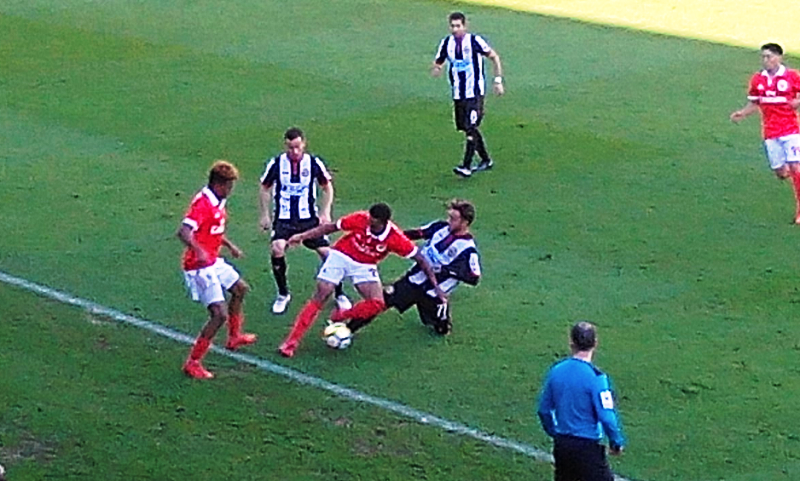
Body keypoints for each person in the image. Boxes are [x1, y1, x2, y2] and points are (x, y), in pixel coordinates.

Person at [277, 203, 447, 357]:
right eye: (369, 219)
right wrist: (302, 236)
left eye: (373, 222)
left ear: (383, 222)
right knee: (322, 293)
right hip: (342, 255)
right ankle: (291, 342)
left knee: (377, 303)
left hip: (365, 265)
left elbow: (421, 260)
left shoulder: (396, 238)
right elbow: (331, 227)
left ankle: (342, 315)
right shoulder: (360, 219)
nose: (369, 223)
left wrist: (436, 287)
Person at [346, 199, 481, 336]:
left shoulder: (467, 249)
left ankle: (442, 319)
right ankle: (347, 330)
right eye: (449, 217)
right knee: (381, 301)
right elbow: (418, 233)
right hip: (414, 280)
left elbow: (474, 277)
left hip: (434, 293)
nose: (449, 221)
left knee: (440, 329)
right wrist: (392, 238)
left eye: (453, 219)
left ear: (465, 222)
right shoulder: (440, 227)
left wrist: (445, 270)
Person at [177, 161, 257, 379]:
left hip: (213, 261)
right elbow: (184, 232)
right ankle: (193, 362)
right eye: (229, 186)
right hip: (198, 267)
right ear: (219, 184)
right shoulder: (203, 204)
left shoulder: (217, 201)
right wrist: (198, 251)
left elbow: (211, 229)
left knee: (240, 289)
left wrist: (229, 246)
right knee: (218, 315)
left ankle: (234, 337)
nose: (231, 190)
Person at [259, 127, 351, 314]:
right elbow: (264, 187)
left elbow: (327, 187)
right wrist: (264, 214)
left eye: (297, 147)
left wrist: (325, 212)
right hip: (284, 218)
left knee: (327, 254)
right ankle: (283, 294)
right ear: (285, 145)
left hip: (308, 219)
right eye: (290, 147)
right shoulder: (276, 164)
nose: (294, 151)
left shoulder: (313, 163)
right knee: (277, 248)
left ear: (304, 144)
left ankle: (340, 293)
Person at [537, 322, 626, 481]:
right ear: (595, 343)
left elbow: (544, 410)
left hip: (562, 446)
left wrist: (555, 433)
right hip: (587, 448)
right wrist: (616, 442)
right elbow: (606, 417)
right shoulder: (597, 378)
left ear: (571, 343)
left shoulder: (557, 371)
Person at [730, 43, 800, 223]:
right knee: (781, 173)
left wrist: (797, 102)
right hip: (771, 132)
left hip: (791, 130)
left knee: (796, 167)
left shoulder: (791, 76)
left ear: (779, 57)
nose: (765, 60)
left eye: (769, 56)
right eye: (763, 57)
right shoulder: (758, 79)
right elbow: (755, 102)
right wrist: (742, 113)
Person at [431, 11, 504, 178]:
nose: (455, 29)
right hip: (458, 93)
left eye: (458, 26)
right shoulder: (447, 43)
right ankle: (486, 159)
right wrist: (437, 68)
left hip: (475, 92)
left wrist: (498, 80)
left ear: (465, 26)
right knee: (467, 128)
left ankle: (466, 166)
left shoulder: (474, 41)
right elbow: (439, 60)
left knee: (471, 127)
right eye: (452, 26)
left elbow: (494, 57)